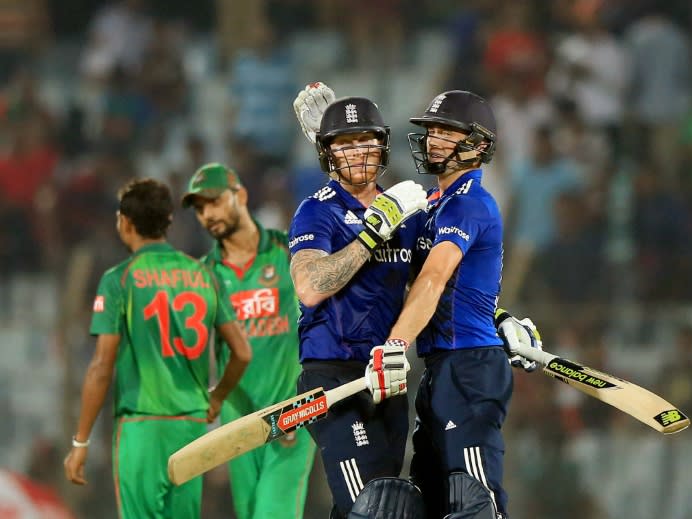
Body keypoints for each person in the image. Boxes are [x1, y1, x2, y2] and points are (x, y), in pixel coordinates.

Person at [372, 90, 542, 519]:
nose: (433, 140)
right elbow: (400, 264)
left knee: (475, 503)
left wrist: (394, 345)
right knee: (431, 502)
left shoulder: (469, 204)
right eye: (431, 131)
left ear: (477, 145)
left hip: (469, 368)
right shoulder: (432, 204)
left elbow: (433, 277)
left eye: (446, 132)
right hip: (442, 368)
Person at [63, 178, 252, 519]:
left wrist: (80, 442)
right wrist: (218, 396)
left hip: (142, 425)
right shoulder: (205, 275)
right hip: (191, 428)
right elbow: (242, 353)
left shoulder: (120, 279)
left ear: (125, 222)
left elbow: (101, 367)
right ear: (168, 222)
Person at [289, 84, 428, 518]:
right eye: (344, 144)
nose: (357, 152)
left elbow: (434, 285)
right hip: (332, 381)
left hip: (388, 380)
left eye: (366, 140)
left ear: (383, 146)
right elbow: (310, 286)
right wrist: (372, 233)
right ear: (327, 153)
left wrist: (495, 316)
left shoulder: (406, 211)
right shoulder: (317, 210)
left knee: (375, 505)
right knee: (371, 508)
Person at [180, 162, 316, 519]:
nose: (208, 214)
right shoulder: (203, 275)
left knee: (274, 511)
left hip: (291, 407)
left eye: (214, 201)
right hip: (238, 419)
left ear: (240, 196)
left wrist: (303, 397)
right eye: (199, 208)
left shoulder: (288, 250)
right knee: (252, 512)